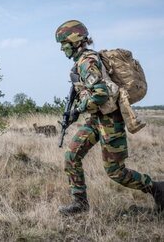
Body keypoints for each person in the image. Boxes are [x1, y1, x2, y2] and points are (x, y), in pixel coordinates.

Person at [55, 20, 164, 215]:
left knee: (116, 172)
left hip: (110, 121)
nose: (62, 50)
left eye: (64, 45)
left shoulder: (86, 62)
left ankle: (157, 188)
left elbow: (100, 94)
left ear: (75, 41)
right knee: (72, 156)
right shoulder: (82, 62)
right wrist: (75, 112)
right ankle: (80, 203)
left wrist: (78, 108)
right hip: (96, 120)